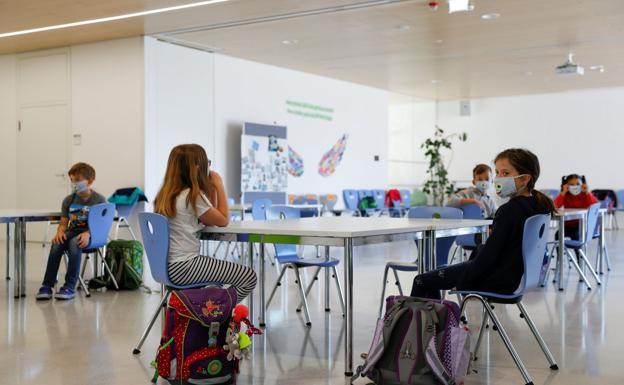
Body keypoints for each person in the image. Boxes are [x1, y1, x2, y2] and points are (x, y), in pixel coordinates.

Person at [410, 148, 556, 299]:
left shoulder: (509, 210)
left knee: (421, 280)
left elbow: (489, 256)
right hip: (512, 278)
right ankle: (436, 322)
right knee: (441, 274)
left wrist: (464, 282)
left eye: (505, 173)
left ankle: (429, 323)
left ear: (524, 179)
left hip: (494, 279)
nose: (498, 178)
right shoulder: (537, 206)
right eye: (497, 172)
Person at [154, 144, 257, 302]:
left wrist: (211, 188)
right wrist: (219, 185)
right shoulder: (191, 196)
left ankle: (210, 312)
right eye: (206, 163)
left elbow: (211, 218)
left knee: (218, 281)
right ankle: (215, 314)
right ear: (196, 168)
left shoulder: (166, 195)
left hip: (166, 267)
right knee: (248, 277)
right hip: (185, 266)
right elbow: (223, 220)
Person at [36, 162, 106, 300]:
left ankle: (69, 286)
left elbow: (101, 225)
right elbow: (63, 223)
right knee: (57, 244)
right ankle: (47, 285)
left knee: (75, 243)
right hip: (72, 231)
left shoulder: (99, 200)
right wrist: (60, 232)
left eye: (78, 180)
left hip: (91, 234)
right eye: (72, 180)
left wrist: (88, 233)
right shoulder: (68, 200)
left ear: (90, 181)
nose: (74, 184)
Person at [553, 174, 598, 241]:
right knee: (558, 235)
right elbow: (555, 206)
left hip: (582, 225)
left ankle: (579, 251)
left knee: (576, 235)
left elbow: (594, 205)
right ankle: (561, 251)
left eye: (577, 184)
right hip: (568, 225)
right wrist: (563, 192)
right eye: (572, 184)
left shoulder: (585, 195)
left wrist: (587, 192)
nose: (575, 186)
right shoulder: (565, 195)